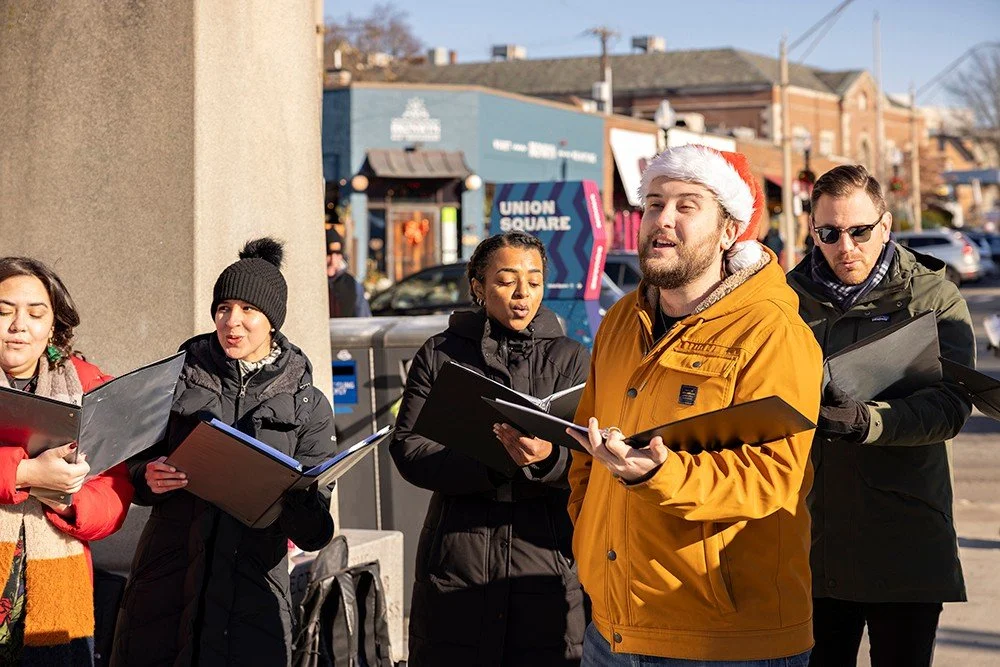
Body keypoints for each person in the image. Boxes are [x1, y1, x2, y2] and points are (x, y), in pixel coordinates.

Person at [567, 144, 822, 665]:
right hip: (611, 631)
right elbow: (586, 457)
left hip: (725, 641)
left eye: (687, 206)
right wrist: (586, 532)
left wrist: (658, 475)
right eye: (654, 203)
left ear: (730, 231)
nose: (663, 219)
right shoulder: (620, 320)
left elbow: (775, 475)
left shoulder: (772, 330)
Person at [111, 238, 338, 666]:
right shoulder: (175, 379)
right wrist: (147, 476)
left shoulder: (308, 405)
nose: (232, 322)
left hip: (253, 595)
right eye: (223, 308)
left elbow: (315, 531)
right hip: (165, 583)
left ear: (272, 321)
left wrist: (291, 500)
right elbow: (130, 467)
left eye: (248, 309)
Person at [786, 165, 974, 667]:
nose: (845, 247)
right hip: (811, 544)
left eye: (860, 231)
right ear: (813, 232)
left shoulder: (931, 296)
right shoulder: (786, 301)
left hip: (905, 540)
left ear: (885, 225)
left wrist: (867, 421)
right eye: (829, 233)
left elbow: (952, 404)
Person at [390, 231, 591, 666]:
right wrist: (492, 462)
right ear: (478, 286)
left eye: (534, 282)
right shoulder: (440, 354)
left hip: (547, 555)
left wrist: (549, 460)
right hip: (457, 554)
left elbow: (594, 457)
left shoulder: (573, 359)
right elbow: (408, 447)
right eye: (506, 280)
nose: (523, 294)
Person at [0, 257, 134, 665]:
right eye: (4, 311)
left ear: (53, 325)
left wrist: (68, 501)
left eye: (35, 313)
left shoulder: (88, 387)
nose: (19, 325)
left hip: (55, 592)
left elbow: (115, 493)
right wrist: (24, 472)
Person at [327, 228, 370, 317]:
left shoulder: (352, 285)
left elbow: (363, 318)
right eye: (328, 254)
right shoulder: (311, 284)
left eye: (337, 254)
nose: (332, 261)